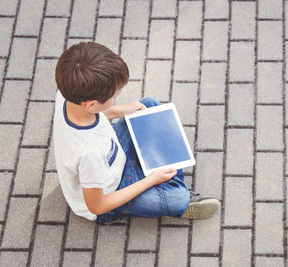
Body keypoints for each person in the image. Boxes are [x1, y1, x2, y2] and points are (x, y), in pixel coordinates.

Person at [53, 42, 220, 223]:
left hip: (111, 156)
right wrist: (151, 180)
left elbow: (93, 121)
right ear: (92, 104)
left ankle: (164, 178)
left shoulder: (67, 95)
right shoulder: (88, 154)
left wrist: (116, 111)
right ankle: (173, 189)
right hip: (111, 191)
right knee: (178, 199)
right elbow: (97, 206)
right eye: (114, 96)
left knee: (148, 105)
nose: (116, 98)